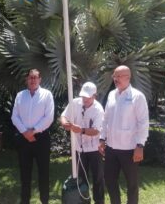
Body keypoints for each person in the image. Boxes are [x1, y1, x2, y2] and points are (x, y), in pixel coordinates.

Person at [99, 65, 149, 204]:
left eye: (119, 76)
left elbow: (143, 122)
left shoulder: (138, 96)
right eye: (114, 76)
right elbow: (105, 118)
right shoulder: (111, 95)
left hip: (130, 149)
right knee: (109, 180)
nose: (115, 79)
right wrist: (102, 138)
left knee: (132, 184)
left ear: (128, 77)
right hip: (112, 148)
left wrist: (140, 145)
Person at [11, 69, 54, 204]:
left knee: (43, 174)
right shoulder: (20, 96)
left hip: (41, 139)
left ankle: (44, 201)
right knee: (25, 174)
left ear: (40, 79)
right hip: (24, 139)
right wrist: (25, 132)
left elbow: (49, 117)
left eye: (35, 77)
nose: (33, 80)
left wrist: (33, 131)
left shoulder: (47, 95)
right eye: (30, 77)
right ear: (26, 79)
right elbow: (14, 116)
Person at [60, 81, 105, 204]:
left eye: (88, 97)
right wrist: (64, 123)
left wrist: (82, 130)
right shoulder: (75, 103)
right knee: (80, 178)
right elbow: (64, 115)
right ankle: (83, 200)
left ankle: (99, 201)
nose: (84, 99)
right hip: (78, 149)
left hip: (95, 149)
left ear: (94, 96)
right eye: (83, 96)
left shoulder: (98, 109)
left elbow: (96, 130)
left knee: (98, 178)